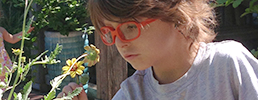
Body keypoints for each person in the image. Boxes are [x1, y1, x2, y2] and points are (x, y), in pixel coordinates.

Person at [57, 0, 258, 100]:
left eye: (130, 27)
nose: (121, 42)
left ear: (176, 15)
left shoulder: (228, 65)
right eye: (110, 31)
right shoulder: (132, 93)